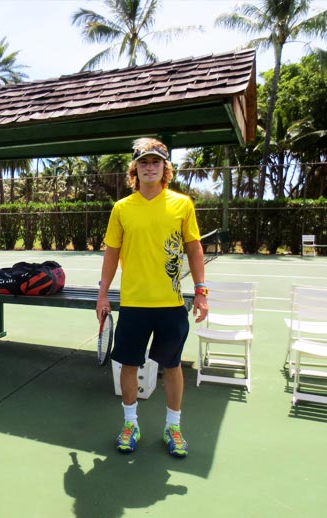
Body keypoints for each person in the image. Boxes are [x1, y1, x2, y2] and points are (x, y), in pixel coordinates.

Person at [96, 137, 208, 458]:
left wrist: (201, 292)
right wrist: (102, 295)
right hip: (133, 305)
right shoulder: (121, 208)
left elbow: (194, 248)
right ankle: (131, 424)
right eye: (143, 162)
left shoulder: (182, 204)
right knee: (129, 365)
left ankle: (173, 426)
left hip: (171, 305)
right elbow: (111, 254)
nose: (149, 167)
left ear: (164, 168)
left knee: (172, 367)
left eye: (155, 162)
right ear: (135, 168)